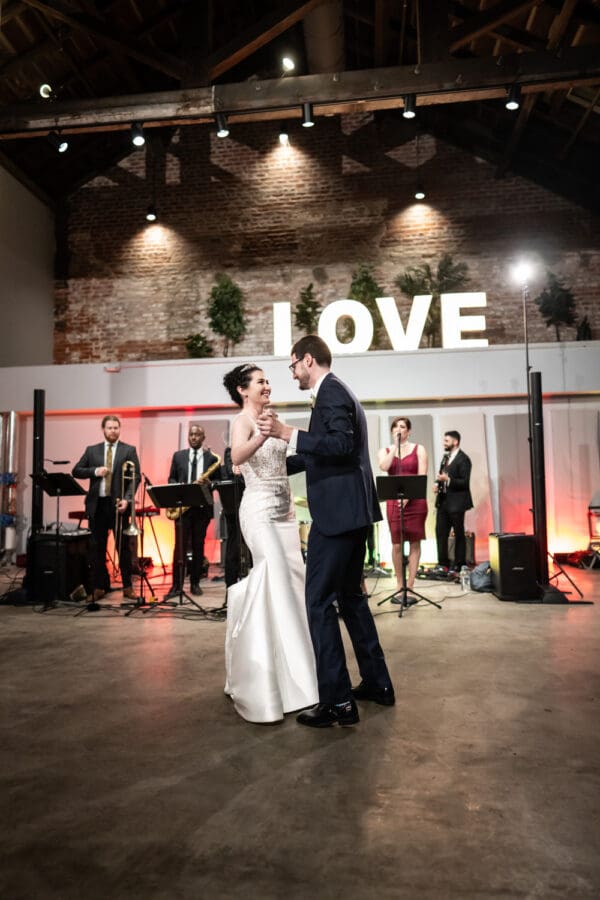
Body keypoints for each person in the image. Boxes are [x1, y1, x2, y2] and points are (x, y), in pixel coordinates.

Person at [258, 335, 395, 729]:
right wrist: (276, 467)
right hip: (352, 512)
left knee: (317, 602)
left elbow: (339, 443)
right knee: (351, 598)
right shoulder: (336, 392)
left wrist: (287, 433)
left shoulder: (331, 392)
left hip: (337, 517)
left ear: (307, 360)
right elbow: (331, 452)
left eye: (292, 366)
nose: (292, 374)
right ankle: (377, 683)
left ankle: (337, 703)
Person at [222, 363, 318, 724]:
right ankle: (267, 680)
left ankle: (302, 677)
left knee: (294, 587)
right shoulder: (243, 420)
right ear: (243, 390)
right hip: (259, 512)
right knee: (273, 578)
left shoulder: (272, 417)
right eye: (260, 382)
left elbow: (284, 463)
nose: (267, 386)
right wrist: (263, 435)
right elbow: (235, 457)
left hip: (285, 513)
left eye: (267, 381)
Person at [72, 414, 140, 603]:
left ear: (119, 429)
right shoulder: (92, 450)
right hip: (98, 505)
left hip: (118, 505)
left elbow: (136, 478)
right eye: (109, 428)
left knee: (123, 549)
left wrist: (127, 500)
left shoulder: (128, 450)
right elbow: (76, 470)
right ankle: (100, 586)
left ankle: (127, 587)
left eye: (116, 428)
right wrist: (95, 471)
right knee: (97, 549)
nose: (113, 431)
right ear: (103, 429)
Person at [165, 424, 220, 599]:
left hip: (202, 509)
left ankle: (195, 583)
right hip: (182, 508)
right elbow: (171, 477)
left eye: (197, 435)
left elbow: (219, 480)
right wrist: (177, 485)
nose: (194, 437)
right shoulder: (178, 456)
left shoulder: (212, 458)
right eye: (191, 434)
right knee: (178, 548)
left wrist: (209, 484)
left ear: (203, 438)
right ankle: (176, 585)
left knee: (198, 546)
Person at [378, 416, 428, 593]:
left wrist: (409, 496)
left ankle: (411, 584)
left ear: (409, 431)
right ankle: (399, 584)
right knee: (397, 544)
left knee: (415, 543)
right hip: (394, 502)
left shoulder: (419, 449)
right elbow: (384, 467)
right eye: (396, 427)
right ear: (392, 431)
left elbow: (422, 476)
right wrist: (395, 448)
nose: (399, 429)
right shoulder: (384, 450)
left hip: (415, 502)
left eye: (403, 427)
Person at [434, 430, 473, 572]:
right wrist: (437, 483)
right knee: (440, 532)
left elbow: (465, 482)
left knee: (458, 533)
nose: (444, 443)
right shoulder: (446, 458)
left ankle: (459, 563)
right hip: (443, 502)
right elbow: (441, 475)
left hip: (457, 503)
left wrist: (448, 480)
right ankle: (442, 563)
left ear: (455, 442)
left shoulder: (464, 459)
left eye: (446, 441)